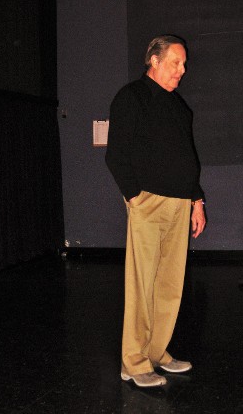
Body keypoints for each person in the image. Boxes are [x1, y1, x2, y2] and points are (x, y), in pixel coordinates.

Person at [105, 35, 206, 388]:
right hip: (149, 203)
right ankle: (133, 362)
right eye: (176, 62)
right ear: (154, 60)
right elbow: (115, 154)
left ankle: (157, 353)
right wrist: (135, 198)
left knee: (169, 286)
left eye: (183, 63)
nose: (183, 69)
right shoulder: (131, 98)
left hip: (180, 204)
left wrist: (197, 200)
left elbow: (187, 158)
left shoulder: (179, 108)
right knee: (142, 285)